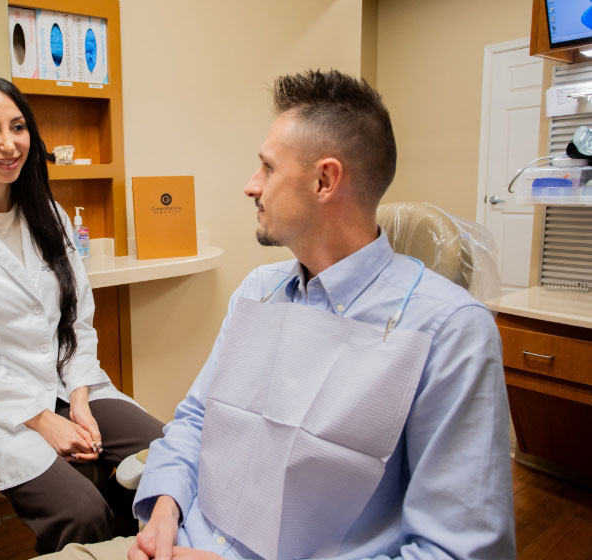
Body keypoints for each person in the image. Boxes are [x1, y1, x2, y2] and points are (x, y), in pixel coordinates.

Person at [40, 69, 515, 560]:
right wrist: (164, 511)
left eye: (267, 167)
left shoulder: (449, 330)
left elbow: (459, 552)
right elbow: (197, 420)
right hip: (177, 541)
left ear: (325, 180)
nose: (251, 185)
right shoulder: (258, 293)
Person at [0, 76, 164, 554]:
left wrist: (81, 400)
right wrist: (44, 421)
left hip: (69, 385)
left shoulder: (50, 214)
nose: (8, 144)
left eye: (18, 127)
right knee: (82, 512)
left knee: (167, 456)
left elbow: (77, 323)